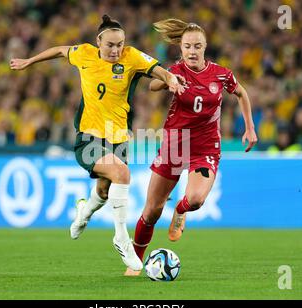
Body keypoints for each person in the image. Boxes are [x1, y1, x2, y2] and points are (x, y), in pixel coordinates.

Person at [10, 15, 185, 272]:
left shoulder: (131, 57)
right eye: (110, 45)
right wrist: (30, 61)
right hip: (88, 138)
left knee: (104, 192)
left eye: (120, 44)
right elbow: (60, 50)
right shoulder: (84, 54)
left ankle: (84, 210)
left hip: (118, 138)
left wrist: (170, 79)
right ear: (98, 42)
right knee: (122, 173)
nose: (115, 50)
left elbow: (158, 69)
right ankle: (121, 239)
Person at [127, 19, 258, 275]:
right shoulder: (176, 70)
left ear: (205, 47)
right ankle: (135, 261)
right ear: (181, 48)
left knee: (196, 199)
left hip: (205, 146)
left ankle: (180, 210)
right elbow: (152, 85)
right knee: (152, 211)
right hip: (175, 145)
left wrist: (250, 127)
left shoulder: (221, 75)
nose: (193, 51)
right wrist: (168, 80)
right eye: (188, 46)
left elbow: (241, 93)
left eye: (197, 46)